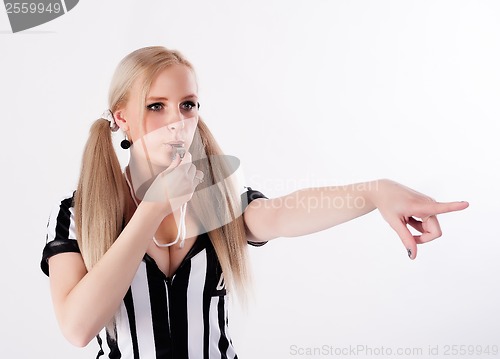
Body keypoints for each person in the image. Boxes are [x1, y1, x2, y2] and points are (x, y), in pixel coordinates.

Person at [40, 46, 469, 359]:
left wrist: (375, 192)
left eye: (187, 105)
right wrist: (153, 207)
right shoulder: (75, 215)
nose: (176, 122)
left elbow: (283, 213)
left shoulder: (215, 201)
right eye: (156, 106)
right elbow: (77, 328)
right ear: (121, 118)